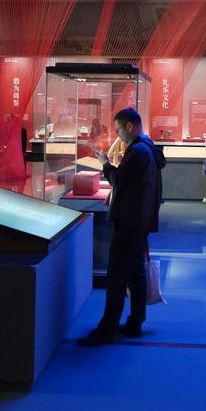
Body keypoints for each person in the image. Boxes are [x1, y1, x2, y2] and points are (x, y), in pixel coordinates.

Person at [78, 108, 165, 346]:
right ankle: (135, 322)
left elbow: (119, 179)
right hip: (140, 220)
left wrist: (105, 164)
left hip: (129, 221)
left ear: (129, 126)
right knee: (136, 274)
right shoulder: (148, 148)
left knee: (117, 276)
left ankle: (106, 329)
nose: (117, 135)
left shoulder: (137, 151)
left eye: (118, 130)